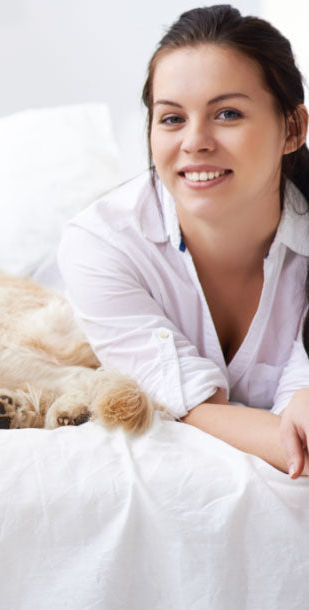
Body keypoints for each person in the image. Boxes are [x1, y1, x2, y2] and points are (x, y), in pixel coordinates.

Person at [58, 5, 309, 477]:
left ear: (291, 129)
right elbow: (200, 407)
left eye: (227, 113)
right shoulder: (100, 244)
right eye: (171, 119)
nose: (195, 142)